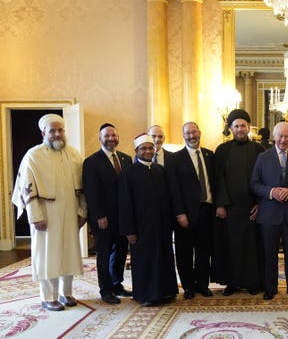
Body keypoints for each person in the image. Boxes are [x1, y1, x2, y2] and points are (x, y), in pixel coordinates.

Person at [12, 114, 87, 311]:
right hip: (45, 215)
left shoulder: (74, 154)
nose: (57, 134)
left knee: (69, 252)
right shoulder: (33, 156)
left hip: (70, 213)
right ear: (43, 132)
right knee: (47, 256)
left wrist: (82, 212)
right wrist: (35, 217)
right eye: (52, 130)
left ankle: (66, 293)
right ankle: (48, 297)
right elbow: (26, 190)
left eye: (60, 130)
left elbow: (82, 188)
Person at [250, 122, 288, 300]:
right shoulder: (262, 157)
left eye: (287, 136)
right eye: (280, 136)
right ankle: (270, 287)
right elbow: (254, 184)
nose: (283, 140)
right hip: (269, 214)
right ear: (274, 137)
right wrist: (271, 192)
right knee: (270, 254)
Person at [119, 134, 178, 306]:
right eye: (143, 148)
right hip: (141, 227)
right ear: (136, 151)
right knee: (145, 260)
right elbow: (125, 204)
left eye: (150, 148)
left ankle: (166, 292)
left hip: (162, 226)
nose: (147, 151)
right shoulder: (129, 173)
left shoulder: (160, 170)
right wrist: (129, 230)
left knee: (164, 258)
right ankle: (146, 295)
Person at [213, 109, 265, 296]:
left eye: (243, 126)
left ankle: (252, 282)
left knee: (252, 246)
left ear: (249, 127)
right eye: (237, 126)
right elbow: (217, 179)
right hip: (230, 209)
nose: (240, 129)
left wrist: (260, 204)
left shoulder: (259, 149)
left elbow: (264, 179)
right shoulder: (222, 150)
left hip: (252, 208)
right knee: (232, 246)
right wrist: (220, 204)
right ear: (231, 128)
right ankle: (232, 283)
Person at [82, 123, 133, 305]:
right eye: (107, 136)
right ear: (100, 138)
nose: (111, 138)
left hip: (123, 217)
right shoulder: (91, 162)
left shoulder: (126, 159)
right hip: (103, 218)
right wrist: (99, 215)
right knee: (103, 254)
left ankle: (117, 283)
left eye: (114, 135)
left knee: (120, 252)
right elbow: (91, 192)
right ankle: (105, 290)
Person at [167, 122, 215, 299]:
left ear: (199, 133)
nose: (191, 136)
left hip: (207, 211)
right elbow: (174, 189)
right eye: (187, 133)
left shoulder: (210, 155)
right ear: (183, 136)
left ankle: (202, 285)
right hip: (185, 214)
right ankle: (188, 286)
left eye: (194, 132)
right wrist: (180, 213)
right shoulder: (175, 158)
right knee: (184, 252)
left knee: (204, 251)